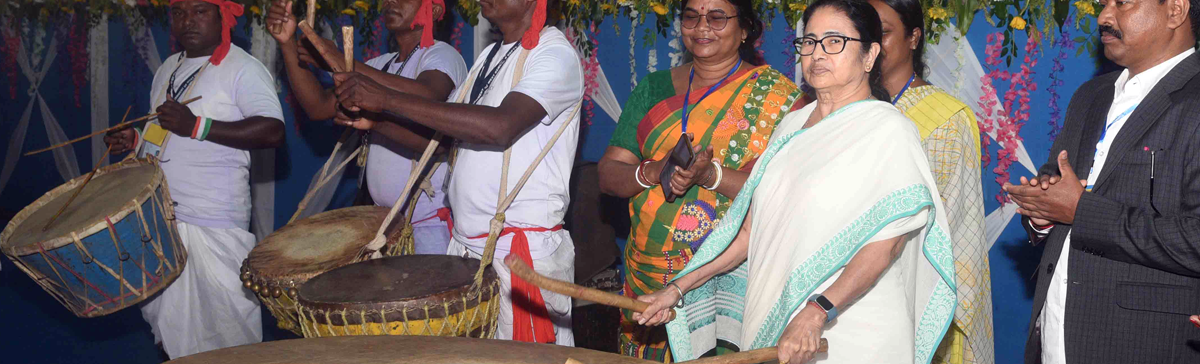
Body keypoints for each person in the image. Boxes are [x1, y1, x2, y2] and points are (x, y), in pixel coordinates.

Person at [635, 1, 957, 363]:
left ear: (870, 56)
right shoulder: (791, 126)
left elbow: (887, 244)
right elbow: (749, 235)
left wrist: (818, 311)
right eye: (810, 41)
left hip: (848, 329)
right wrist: (676, 290)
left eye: (835, 42)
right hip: (783, 328)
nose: (817, 53)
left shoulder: (888, 131)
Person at [331, 0, 583, 346]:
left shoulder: (555, 54)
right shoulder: (491, 55)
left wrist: (386, 100)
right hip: (469, 250)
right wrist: (376, 123)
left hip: (519, 256)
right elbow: (452, 143)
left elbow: (499, 127)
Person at [596, 0, 804, 360]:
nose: (702, 26)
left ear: (745, 29)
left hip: (725, 277)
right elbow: (608, 175)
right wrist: (652, 171)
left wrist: (709, 175)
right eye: (691, 16)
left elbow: (779, 192)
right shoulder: (654, 88)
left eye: (718, 16)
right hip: (646, 271)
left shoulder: (779, 99)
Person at [1003, 0, 1200, 362]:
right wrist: (1042, 213)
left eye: (1121, 3)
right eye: (1104, 4)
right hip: (1056, 333)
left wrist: (1082, 211)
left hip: (1142, 345)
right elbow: (1059, 181)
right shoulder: (1090, 95)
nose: (1104, 17)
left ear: (1175, 11)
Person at [103, 0, 284, 358]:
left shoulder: (244, 68)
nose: (188, 20)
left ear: (223, 16)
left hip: (214, 221)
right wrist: (137, 140)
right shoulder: (170, 67)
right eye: (180, 12)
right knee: (171, 333)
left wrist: (197, 126)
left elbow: (273, 131)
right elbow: (163, 130)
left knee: (228, 336)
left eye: (200, 10)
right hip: (163, 219)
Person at [266, 0, 467, 254]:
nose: (391, 1)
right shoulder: (379, 65)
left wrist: (335, 58)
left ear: (435, 10)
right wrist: (287, 43)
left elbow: (427, 96)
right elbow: (318, 107)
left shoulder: (442, 55)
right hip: (382, 226)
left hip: (429, 226)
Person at [869, 1, 992, 363]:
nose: (871, 43)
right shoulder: (834, 110)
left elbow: (960, 233)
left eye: (884, 31)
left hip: (914, 298)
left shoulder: (946, 120)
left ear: (913, 37)